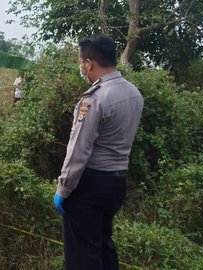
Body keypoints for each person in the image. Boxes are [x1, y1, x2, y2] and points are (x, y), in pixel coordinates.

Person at [53, 34, 143, 269]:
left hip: (89, 186)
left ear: (89, 63)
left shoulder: (95, 98)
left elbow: (79, 149)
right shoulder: (134, 93)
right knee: (103, 244)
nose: (81, 67)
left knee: (82, 255)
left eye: (81, 62)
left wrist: (64, 188)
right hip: (116, 183)